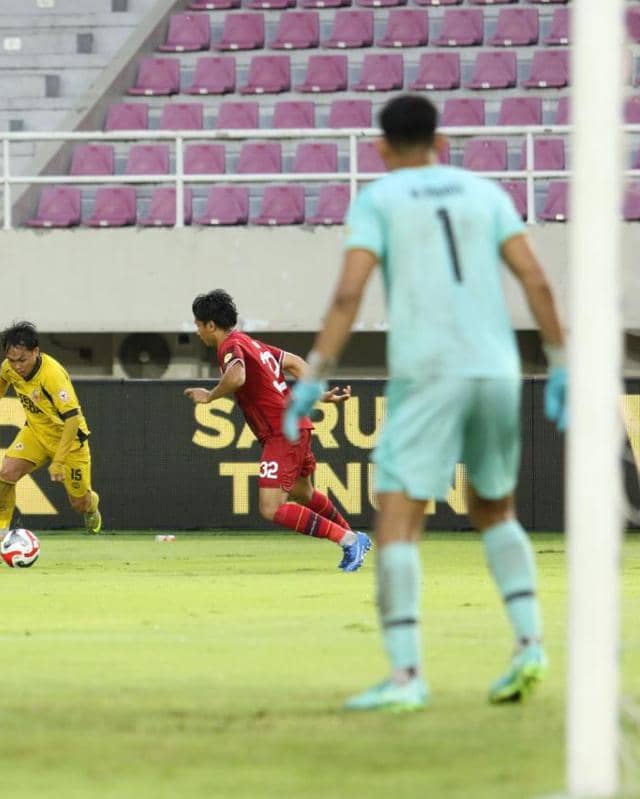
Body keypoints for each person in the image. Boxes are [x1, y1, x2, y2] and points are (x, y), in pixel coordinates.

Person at [283, 94, 568, 712]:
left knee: (398, 519)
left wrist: (313, 378)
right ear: (442, 144)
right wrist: (563, 362)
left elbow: (347, 296)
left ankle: (407, 675)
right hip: (497, 370)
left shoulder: (379, 200)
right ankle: (528, 644)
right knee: (496, 510)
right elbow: (538, 282)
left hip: (428, 373)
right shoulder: (486, 193)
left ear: (381, 148)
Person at [186, 289, 371, 571]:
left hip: (281, 432)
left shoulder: (229, 347)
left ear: (211, 324)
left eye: (198, 324)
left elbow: (237, 377)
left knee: (271, 507)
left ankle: (348, 540)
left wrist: (210, 395)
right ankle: (354, 538)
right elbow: (295, 362)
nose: (197, 331)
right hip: (296, 427)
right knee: (303, 493)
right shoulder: (252, 344)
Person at [0, 321, 101, 561]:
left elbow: (72, 420)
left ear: (36, 352)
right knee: (6, 473)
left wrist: (59, 461)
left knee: (79, 503)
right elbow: (2, 379)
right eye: (12, 360)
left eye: (22, 360)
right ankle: (1, 539)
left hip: (69, 442)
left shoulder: (52, 376)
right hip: (36, 433)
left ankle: (92, 505)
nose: (17, 366)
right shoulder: (10, 367)